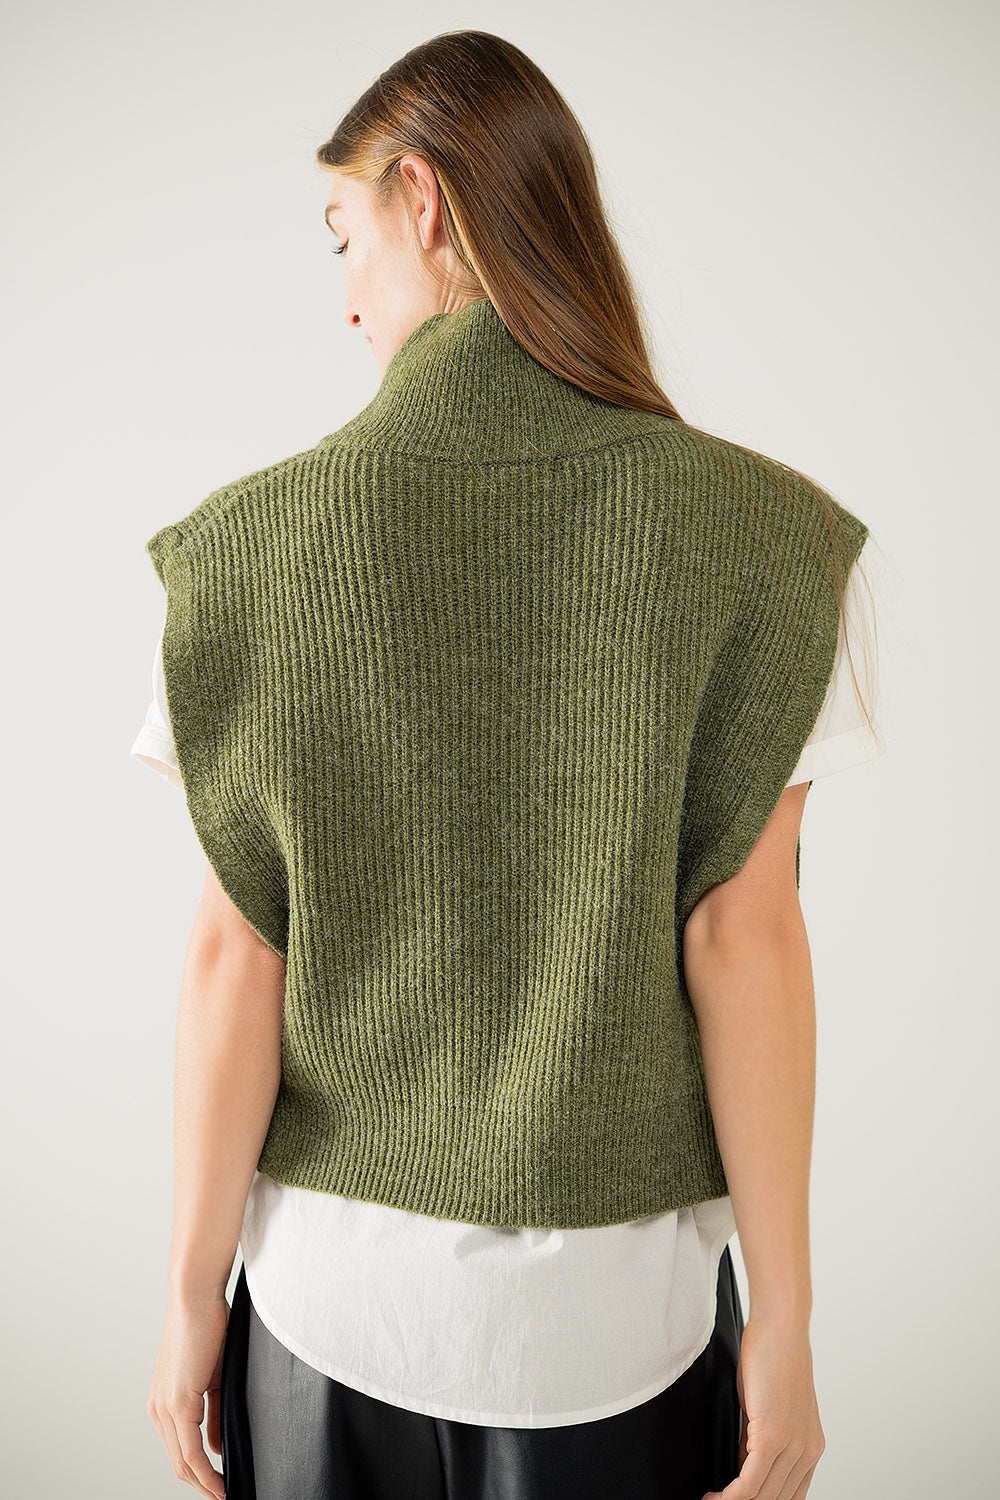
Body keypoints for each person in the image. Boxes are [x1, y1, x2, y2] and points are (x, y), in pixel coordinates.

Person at [135, 29, 885, 1500]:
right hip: (621, 1325)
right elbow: (746, 942)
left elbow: (237, 956)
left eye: (343, 235)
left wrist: (184, 1298)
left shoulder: (240, 555)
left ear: (422, 199)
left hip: (323, 1308)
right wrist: (788, 1320)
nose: (346, 297)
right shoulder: (770, 543)